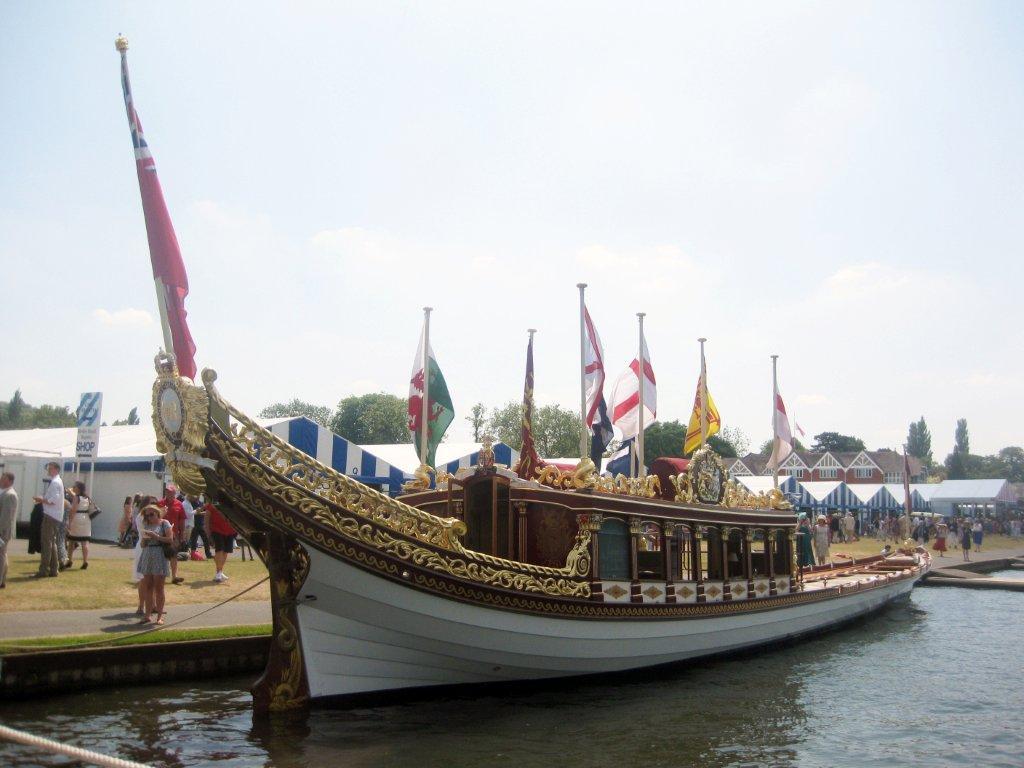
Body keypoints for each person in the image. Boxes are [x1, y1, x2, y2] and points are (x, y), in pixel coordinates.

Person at [137, 504, 173, 625]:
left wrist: (156, 537)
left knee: (159, 587)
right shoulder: (147, 525)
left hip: (160, 555)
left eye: (151, 514)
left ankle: (159, 617)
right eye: (147, 515)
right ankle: (147, 615)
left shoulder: (164, 523)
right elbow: (142, 545)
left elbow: (170, 539)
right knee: (148, 587)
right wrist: (144, 539)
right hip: (148, 554)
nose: (149, 517)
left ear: (157, 513)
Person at [32, 462, 64, 578]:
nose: (48, 470)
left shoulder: (55, 482)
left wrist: (41, 499)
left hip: (51, 516)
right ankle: (54, 569)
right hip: (55, 516)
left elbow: (53, 500)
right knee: (52, 542)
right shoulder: (57, 481)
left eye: (50, 468)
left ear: (56, 469)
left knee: (46, 542)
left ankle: (44, 570)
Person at [157, 484, 186, 584]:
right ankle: (159, 576)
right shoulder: (159, 503)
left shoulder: (179, 504)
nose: (168, 493)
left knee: (174, 555)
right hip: (161, 534)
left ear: (174, 493)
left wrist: (181, 536)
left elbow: (182, 521)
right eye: (167, 491)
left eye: (170, 492)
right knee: (160, 555)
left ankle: (174, 576)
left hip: (174, 535)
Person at [206, 501, 237, 583]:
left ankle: (220, 571)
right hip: (217, 530)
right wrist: (208, 533)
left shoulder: (231, 502)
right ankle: (218, 572)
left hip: (230, 530)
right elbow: (207, 517)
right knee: (219, 550)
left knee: (226, 551)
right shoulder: (212, 502)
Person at [66, 481, 94, 569]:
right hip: (86, 519)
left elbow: (73, 509)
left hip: (77, 518)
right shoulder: (87, 497)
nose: (73, 487)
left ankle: (69, 560)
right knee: (84, 542)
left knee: (71, 541)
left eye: (75, 486)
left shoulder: (76, 497)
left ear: (78, 488)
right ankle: (85, 561)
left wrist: (69, 522)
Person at [0, 472, 19, 589]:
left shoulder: (10, 495)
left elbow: (6, 517)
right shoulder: (4, 493)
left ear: (10, 481)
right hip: (2, 529)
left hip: (3, 530)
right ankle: (3, 580)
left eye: (4, 479)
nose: (1, 480)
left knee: (1, 555)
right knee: (3, 554)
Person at [188, 495, 212, 560]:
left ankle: (208, 554)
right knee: (194, 540)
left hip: (201, 524)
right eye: (196, 495)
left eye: (198, 495)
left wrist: (203, 513)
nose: (197, 497)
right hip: (195, 524)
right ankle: (193, 554)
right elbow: (194, 513)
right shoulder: (191, 503)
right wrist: (203, 513)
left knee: (206, 540)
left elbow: (203, 511)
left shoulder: (201, 503)